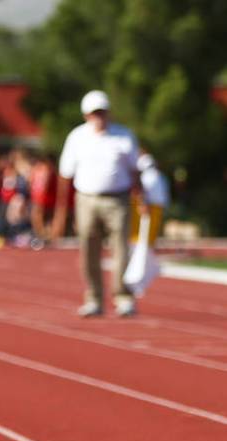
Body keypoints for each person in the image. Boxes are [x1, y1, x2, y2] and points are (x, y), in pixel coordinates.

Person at [56, 90, 142, 317]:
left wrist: (140, 197)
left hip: (118, 199)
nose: (99, 117)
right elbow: (66, 174)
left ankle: (123, 297)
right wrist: (62, 209)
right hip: (86, 199)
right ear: (86, 115)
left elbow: (135, 170)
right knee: (88, 250)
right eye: (95, 113)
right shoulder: (77, 137)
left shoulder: (124, 136)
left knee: (121, 250)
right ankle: (94, 298)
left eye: (102, 112)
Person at [130, 152, 169, 245]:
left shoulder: (150, 176)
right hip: (147, 206)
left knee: (143, 237)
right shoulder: (158, 176)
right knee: (141, 236)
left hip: (147, 206)